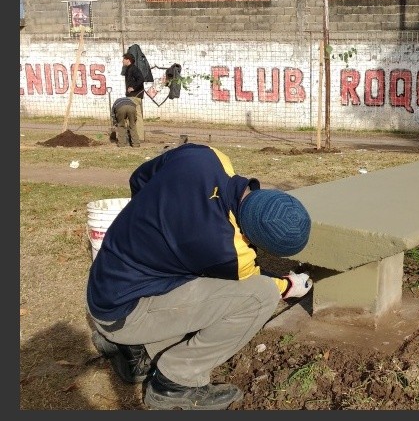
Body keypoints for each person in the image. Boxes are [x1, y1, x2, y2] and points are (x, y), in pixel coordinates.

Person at [86, 143, 313, 410]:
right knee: (260, 297)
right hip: (122, 314)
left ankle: (136, 350)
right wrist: (288, 285)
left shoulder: (204, 157)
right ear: (253, 238)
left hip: (105, 283)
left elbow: (140, 177)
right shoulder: (227, 251)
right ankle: (176, 383)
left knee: (197, 282)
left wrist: (152, 225)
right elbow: (258, 282)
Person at [122, 53, 145, 142]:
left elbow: (141, 79)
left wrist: (133, 88)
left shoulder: (133, 69)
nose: (123, 60)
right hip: (134, 95)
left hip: (134, 96)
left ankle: (134, 137)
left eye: (124, 59)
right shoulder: (129, 69)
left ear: (128, 60)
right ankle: (138, 136)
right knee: (135, 116)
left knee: (130, 116)